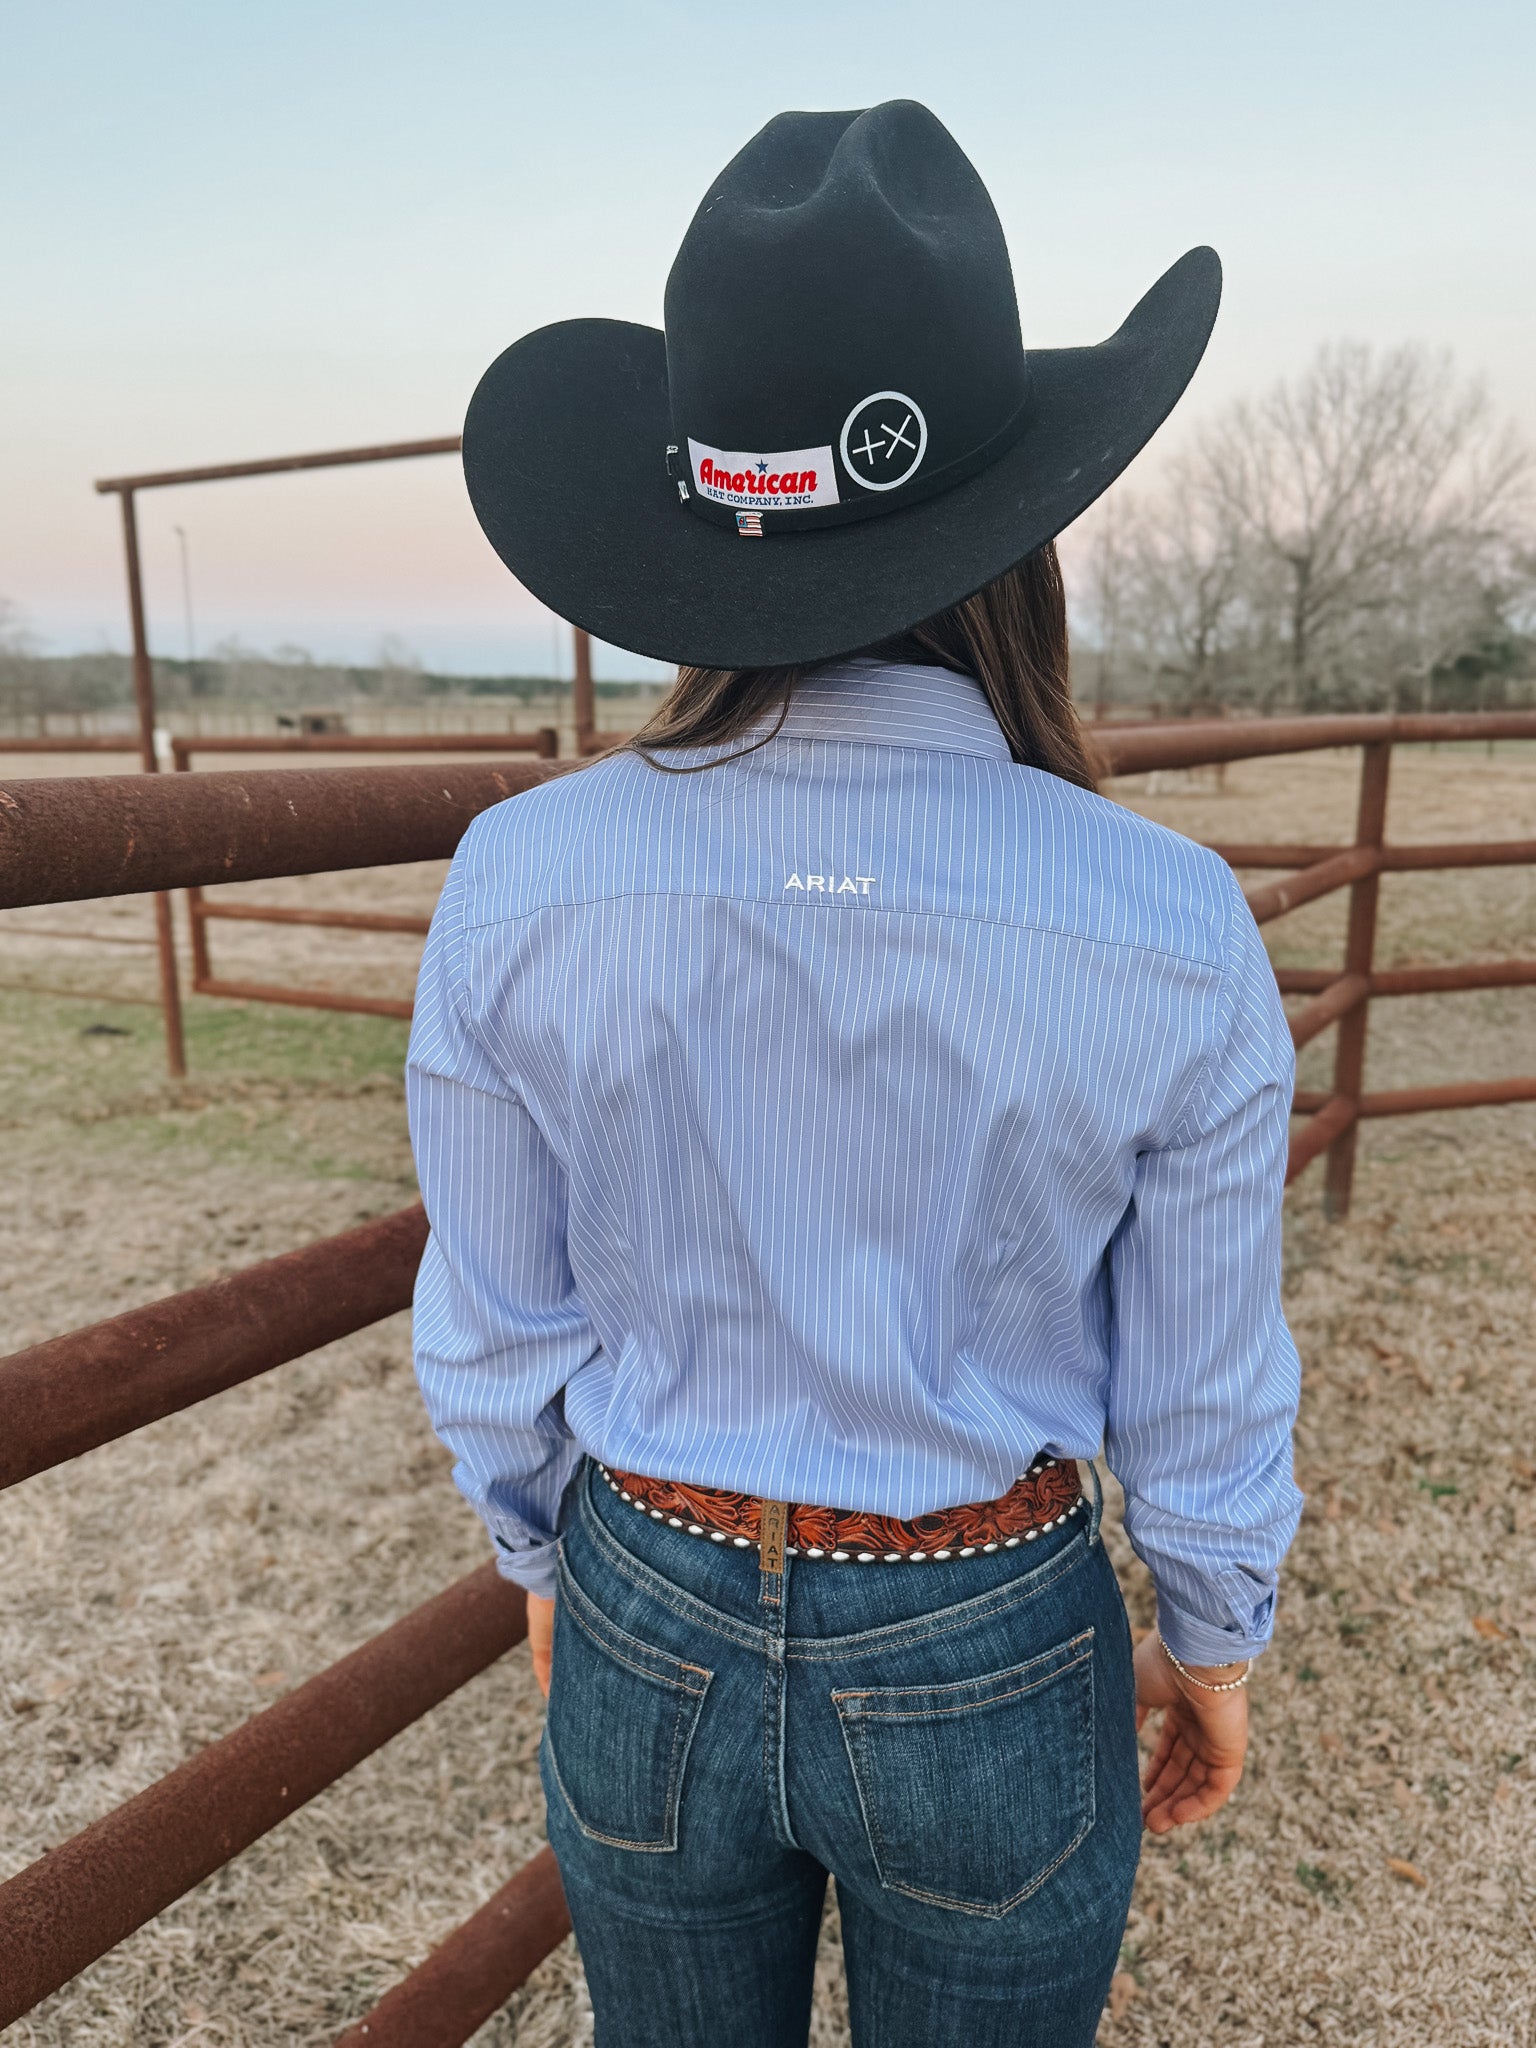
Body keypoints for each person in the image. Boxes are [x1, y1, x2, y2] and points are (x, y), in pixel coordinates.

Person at [408, 100, 1302, 2048]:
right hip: (990, 1616)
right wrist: (1214, 1629)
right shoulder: (1165, 921)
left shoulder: (522, 879)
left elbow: (494, 1311)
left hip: (647, 1588)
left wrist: (541, 1552)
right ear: (1016, 525)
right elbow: (1204, 1373)